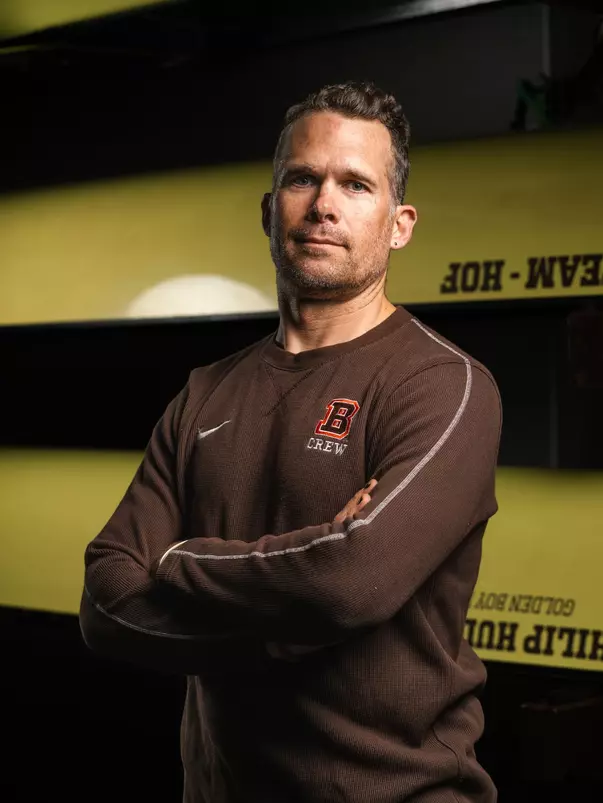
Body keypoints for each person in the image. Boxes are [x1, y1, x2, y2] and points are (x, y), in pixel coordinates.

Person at [80, 80, 502, 803]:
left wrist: (180, 561)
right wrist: (292, 617)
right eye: (302, 178)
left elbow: (350, 582)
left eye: (356, 184)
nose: (323, 204)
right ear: (268, 209)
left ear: (399, 224)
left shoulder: (443, 385)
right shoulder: (205, 392)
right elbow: (106, 602)